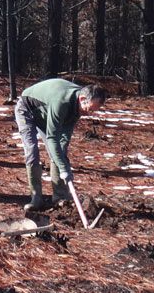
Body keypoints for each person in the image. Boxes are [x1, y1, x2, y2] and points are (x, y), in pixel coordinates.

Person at [16, 79, 108, 212]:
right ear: (82, 99)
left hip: (46, 112)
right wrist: (64, 168)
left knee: (59, 151)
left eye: (93, 110)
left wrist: (64, 164)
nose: (90, 113)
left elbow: (63, 139)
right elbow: (52, 137)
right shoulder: (62, 102)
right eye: (90, 109)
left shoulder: (78, 107)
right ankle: (36, 198)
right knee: (32, 151)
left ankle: (60, 196)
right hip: (27, 109)